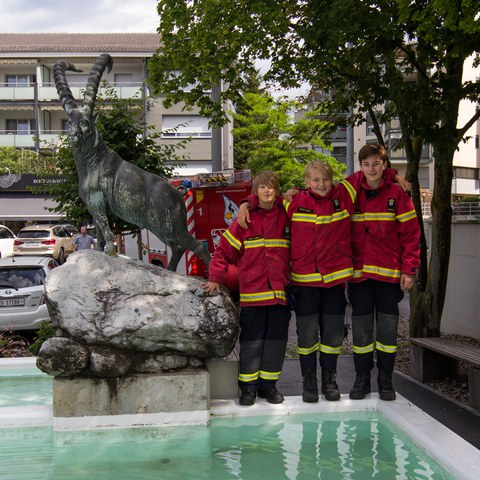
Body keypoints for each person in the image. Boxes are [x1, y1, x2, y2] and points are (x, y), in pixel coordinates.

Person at [238, 162, 405, 403]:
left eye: (326, 179)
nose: (321, 184)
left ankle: (329, 381)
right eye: (315, 180)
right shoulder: (292, 203)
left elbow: (368, 173)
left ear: (333, 180)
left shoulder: (344, 195)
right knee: (306, 340)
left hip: (335, 284)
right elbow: (266, 200)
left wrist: (393, 175)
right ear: (307, 182)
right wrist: (246, 202)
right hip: (305, 285)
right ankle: (310, 384)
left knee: (333, 338)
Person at [203, 170, 291, 406]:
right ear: (256, 191)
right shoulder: (244, 221)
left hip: (279, 296)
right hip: (253, 297)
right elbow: (223, 252)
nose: (267, 191)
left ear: (277, 190)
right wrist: (215, 278)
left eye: (272, 186)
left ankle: (269, 387)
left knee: (275, 343)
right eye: (263, 187)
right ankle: (248, 389)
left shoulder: (286, 216)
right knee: (252, 344)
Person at [348, 144, 420, 401]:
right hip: (359, 277)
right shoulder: (351, 190)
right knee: (361, 333)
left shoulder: (397, 193)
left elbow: (411, 235)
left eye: (376, 164)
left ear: (384, 164)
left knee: (388, 334)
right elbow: (321, 191)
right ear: (361, 167)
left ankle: (386, 381)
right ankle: (362, 379)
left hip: (389, 276)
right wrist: (247, 202)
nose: (371, 169)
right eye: (366, 165)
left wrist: (409, 270)